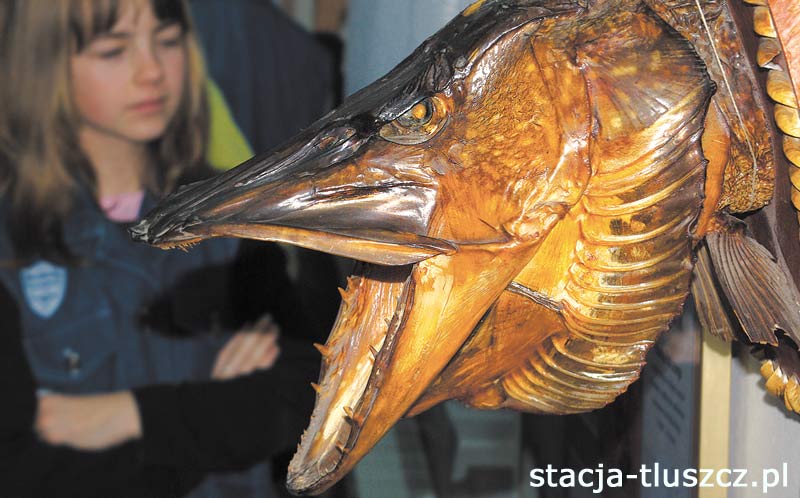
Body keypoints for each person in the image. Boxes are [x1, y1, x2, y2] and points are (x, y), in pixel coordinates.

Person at [0, 1, 316, 497]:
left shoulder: (233, 218)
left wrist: (131, 415)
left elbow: (308, 395)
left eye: (167, 42)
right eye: (113, 50)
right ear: (46, 65)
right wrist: (217, 412)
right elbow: (22, 471)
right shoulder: (12, 245)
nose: (151, 71)